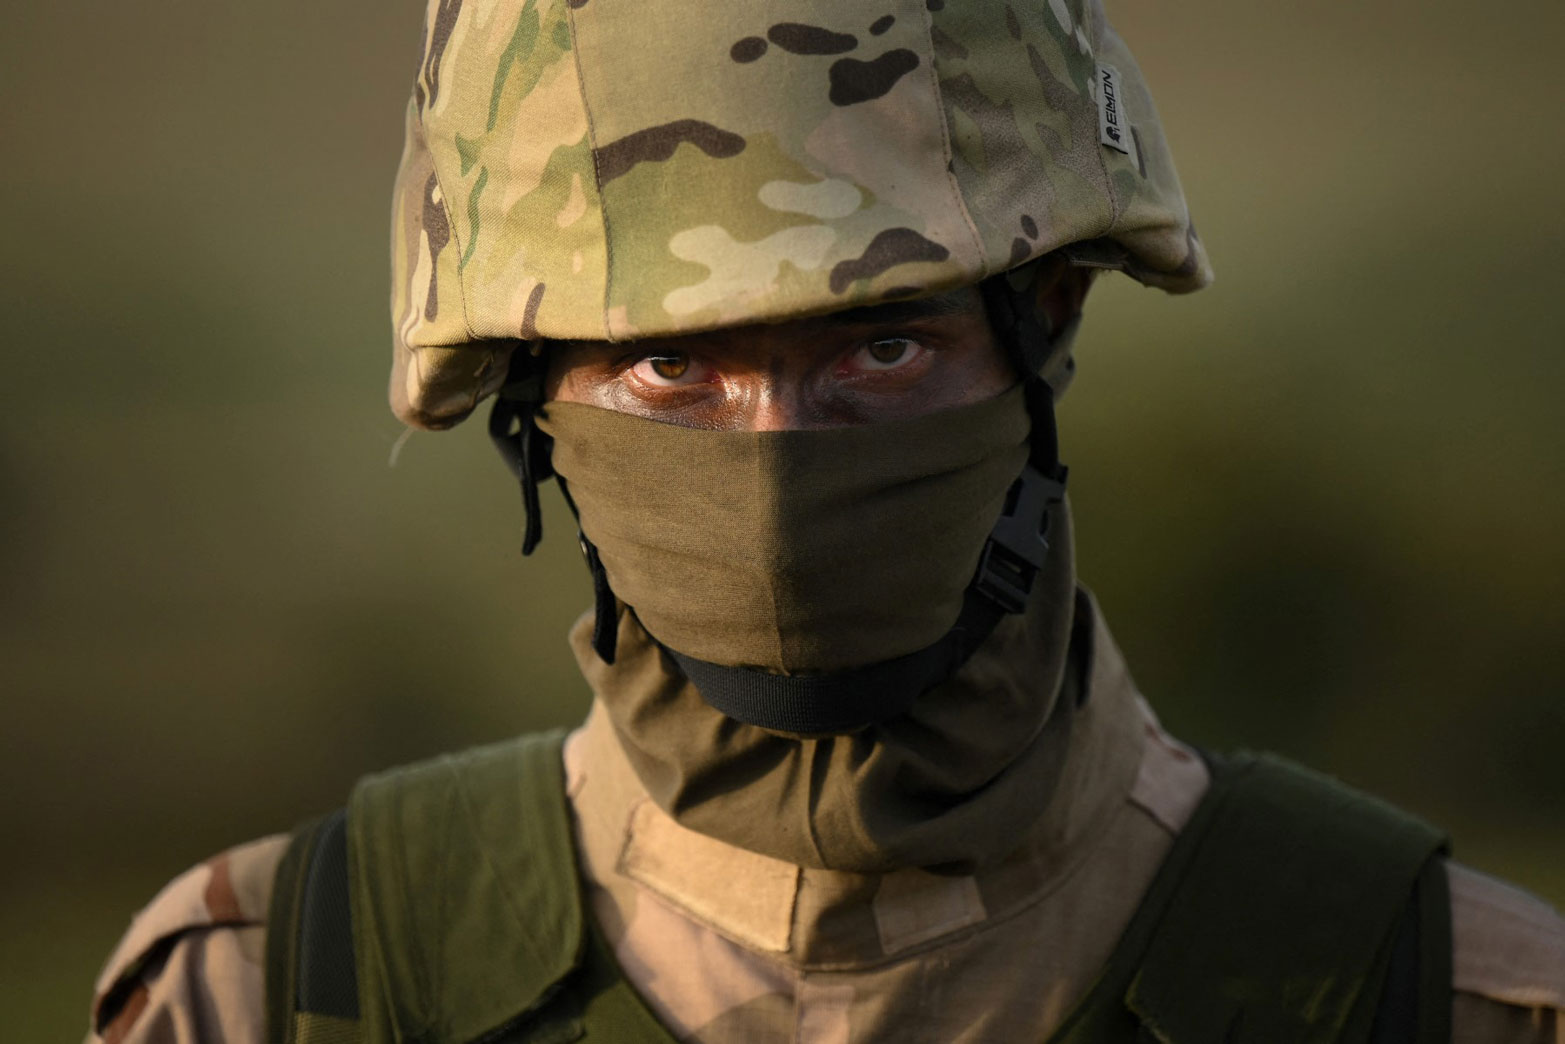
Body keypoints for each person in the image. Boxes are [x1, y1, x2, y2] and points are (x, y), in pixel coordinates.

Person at [88, 1, 1565, 1041]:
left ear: (1046, 322)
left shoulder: (1443, 997)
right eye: (673, 366)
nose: (777, 458)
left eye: (882, 347)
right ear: (530, 397)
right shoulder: (277, 991)